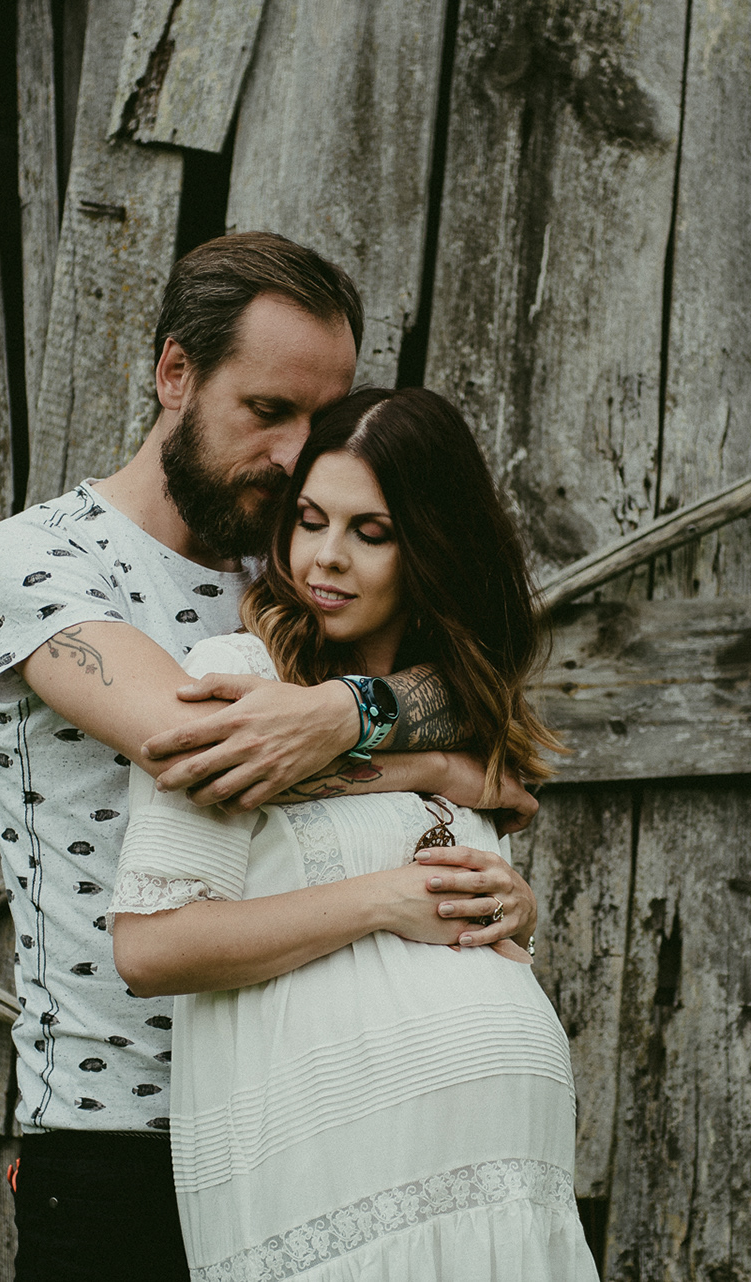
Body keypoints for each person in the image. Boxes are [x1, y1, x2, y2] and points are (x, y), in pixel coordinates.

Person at [0, 232, 543, 1281]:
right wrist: (416, 752)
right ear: (174, 373)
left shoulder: (296, 566)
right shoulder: (42, 562)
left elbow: (477, 706)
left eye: (319, 420)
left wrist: (374, 732)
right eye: (267, 410)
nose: (292, 455)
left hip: (313, 1122)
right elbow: (200, 749)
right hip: (123, 1133)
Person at [109, 387, 601, 1281]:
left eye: (370, 533)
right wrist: (383, 900)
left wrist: (511, 914)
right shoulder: (236, 680)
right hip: (341, 1199)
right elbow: (153, 948)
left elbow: (448, 929)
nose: (325, 558)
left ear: (431, 548)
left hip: (508, 1199)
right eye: (309, 521)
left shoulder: (455, 710)